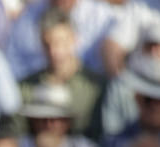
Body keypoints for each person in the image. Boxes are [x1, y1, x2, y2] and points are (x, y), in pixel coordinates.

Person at [18, 9, 104, 138]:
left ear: (74, 39)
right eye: (47, 44)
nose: (54, 51)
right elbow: (16, 131)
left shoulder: (96, 86)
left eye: (60, 42)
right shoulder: (25, 88)